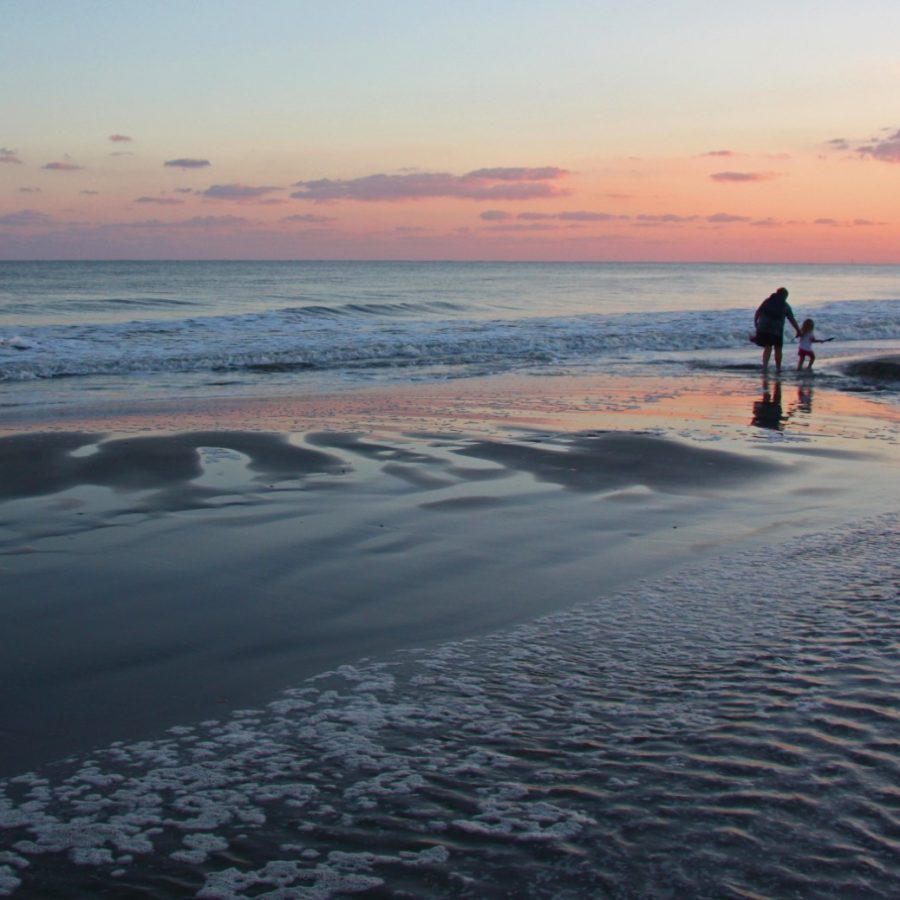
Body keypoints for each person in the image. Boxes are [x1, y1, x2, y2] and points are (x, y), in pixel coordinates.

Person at [753, 287, 800, 372]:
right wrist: (798, 330)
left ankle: (765, 367)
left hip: (764, 327)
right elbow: (791, 319)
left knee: (768, 347)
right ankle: (778, 368)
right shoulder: (785, 305)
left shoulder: (767, 301)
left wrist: (756, 322)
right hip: (777, 330)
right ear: (785, 295)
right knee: (778, 348)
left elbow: (758, 312)